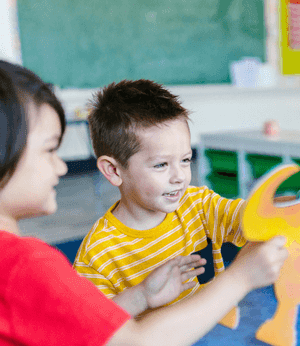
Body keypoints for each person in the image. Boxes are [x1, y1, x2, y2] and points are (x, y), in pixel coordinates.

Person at [0, 62, 287, 346]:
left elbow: (82, 332)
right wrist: (241, 277)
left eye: (185, 161)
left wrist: (138, 298)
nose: (63, 166)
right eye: (50, 150)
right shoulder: (24, 265)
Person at [73, 79, 258, 327]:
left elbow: (251, 216)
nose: (180, 176)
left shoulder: (197, 204)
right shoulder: (97, 255)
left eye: (185, 160)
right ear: (114, 171)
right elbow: (86, 329)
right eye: (161, 164)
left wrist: (298, 202)